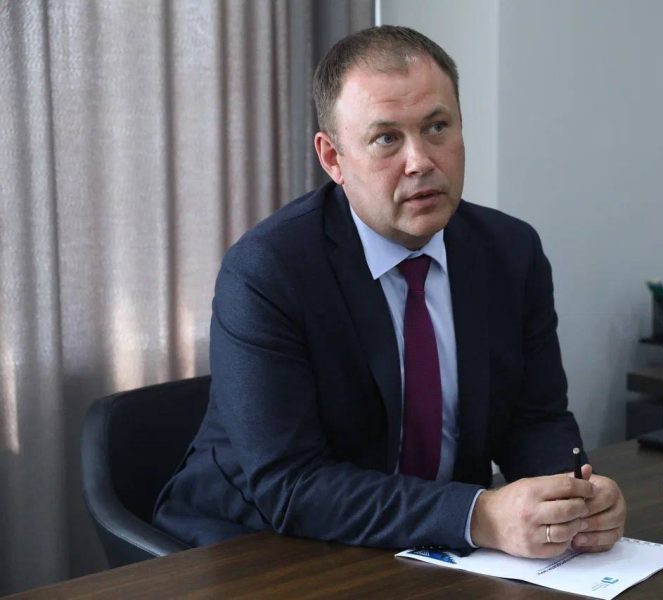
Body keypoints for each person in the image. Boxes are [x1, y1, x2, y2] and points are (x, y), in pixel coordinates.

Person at [153, 25, 625, 559]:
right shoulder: (268, 271)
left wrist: (573, 500)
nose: (420, 160)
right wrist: (478, 515)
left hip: (432, 545)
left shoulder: (510, 253)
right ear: (333, 159)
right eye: (386, 139)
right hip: (256, 544)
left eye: (437, 127)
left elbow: (534, 418)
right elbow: (291, 484)